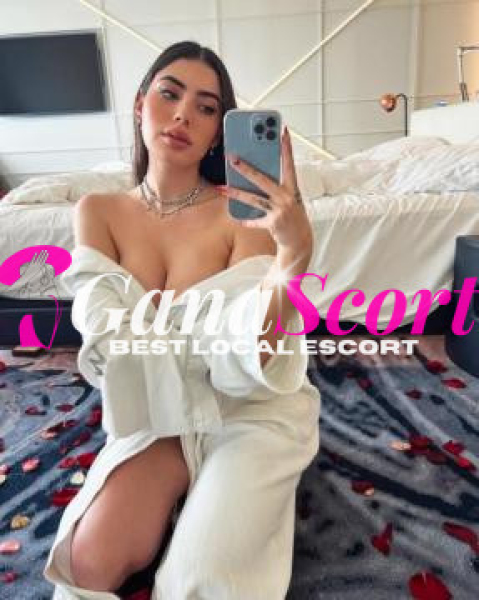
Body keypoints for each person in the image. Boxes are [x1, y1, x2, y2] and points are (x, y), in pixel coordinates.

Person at [44, 40, 320, 599]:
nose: (183, 115)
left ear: (218, 132)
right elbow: (107, 344)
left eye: (206, 107)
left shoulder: (245, 216)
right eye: (169, 94)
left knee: (202, 583)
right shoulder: (97, 212)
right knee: (86, 567)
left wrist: (293, 257)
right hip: (156, 410)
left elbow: (249, 350)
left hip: (247, 410)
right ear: (140, 104)